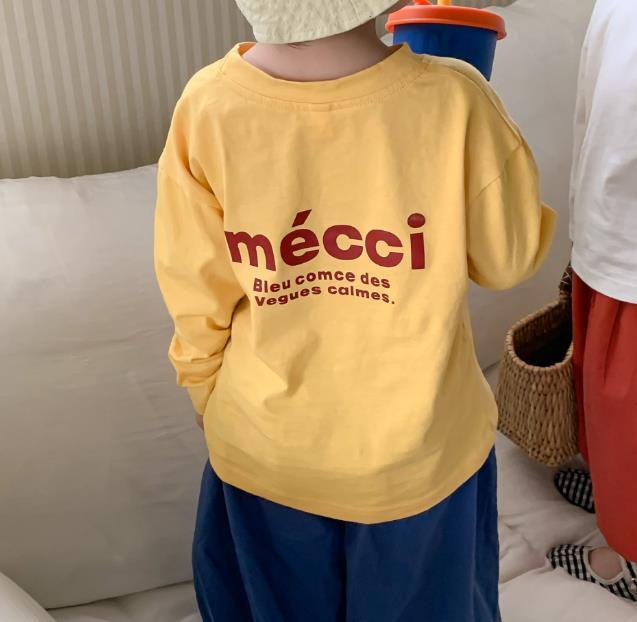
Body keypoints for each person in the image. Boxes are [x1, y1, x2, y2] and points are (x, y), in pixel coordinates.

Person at [153, 1, 555, 619]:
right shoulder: (453, 98)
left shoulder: (208, 106)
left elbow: (193, 290)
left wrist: (208, 395)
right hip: (418, 457)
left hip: (265, 450)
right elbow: (509, 259)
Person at [548, 0, 637, 603]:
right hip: (611, 231)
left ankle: (628, 556)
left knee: (625, 410)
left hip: (628, 244)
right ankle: (614, 497)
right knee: (606, 409)